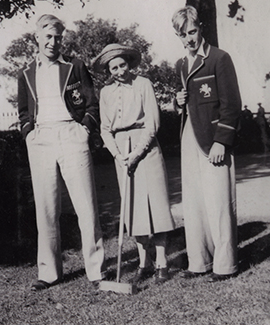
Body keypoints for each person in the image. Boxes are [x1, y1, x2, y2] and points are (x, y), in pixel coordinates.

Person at [18, 14, 105, 291]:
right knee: (46, 208)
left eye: (58, 37)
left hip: (72, 134)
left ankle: (96, 270)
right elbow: (23, 111)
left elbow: (92, 105)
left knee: (86, 206)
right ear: (37, 38)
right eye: (48, 37)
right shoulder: (26, 73)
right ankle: (49, 273)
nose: (53, 42)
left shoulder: (75, 67)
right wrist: (29, 133)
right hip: (41, 138)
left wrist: (83, 130)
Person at [93, 43, 174, 284]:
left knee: (156, 205)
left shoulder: (143, 84)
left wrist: (136, 153)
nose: (119, 71)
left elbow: (153, 124)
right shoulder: (106, 93)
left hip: (145, 148)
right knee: (134, 208)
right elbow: (105, 130)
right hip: (121, 151)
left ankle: (162, 263)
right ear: (109, 71)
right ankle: (144, 263)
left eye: (122, 65)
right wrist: (118, 155)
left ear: (129, 63)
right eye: (113, 68)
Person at [172, 6, 241, 282]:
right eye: (182, 34)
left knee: (219, 201)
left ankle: (225, 264)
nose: (189, 38)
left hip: (213, 141)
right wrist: (179, 103)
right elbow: (192, 105)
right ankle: (199, 261)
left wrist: (221, 142)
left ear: (201, 28)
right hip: (190, 137)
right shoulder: (180, 65)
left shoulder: (219, 58)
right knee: (194, 203)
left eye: (192, 31)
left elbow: (232, 105)